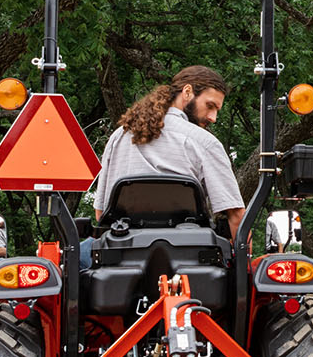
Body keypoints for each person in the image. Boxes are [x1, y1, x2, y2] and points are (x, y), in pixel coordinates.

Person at [91, 64, 245, 238]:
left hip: (121, 253)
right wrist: (242, 264)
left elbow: (101, 214)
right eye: (210, 106)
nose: (213, 118)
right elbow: (237, 216)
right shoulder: (205, 143)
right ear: (187, 92)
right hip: (189, 254)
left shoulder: (118, 137)